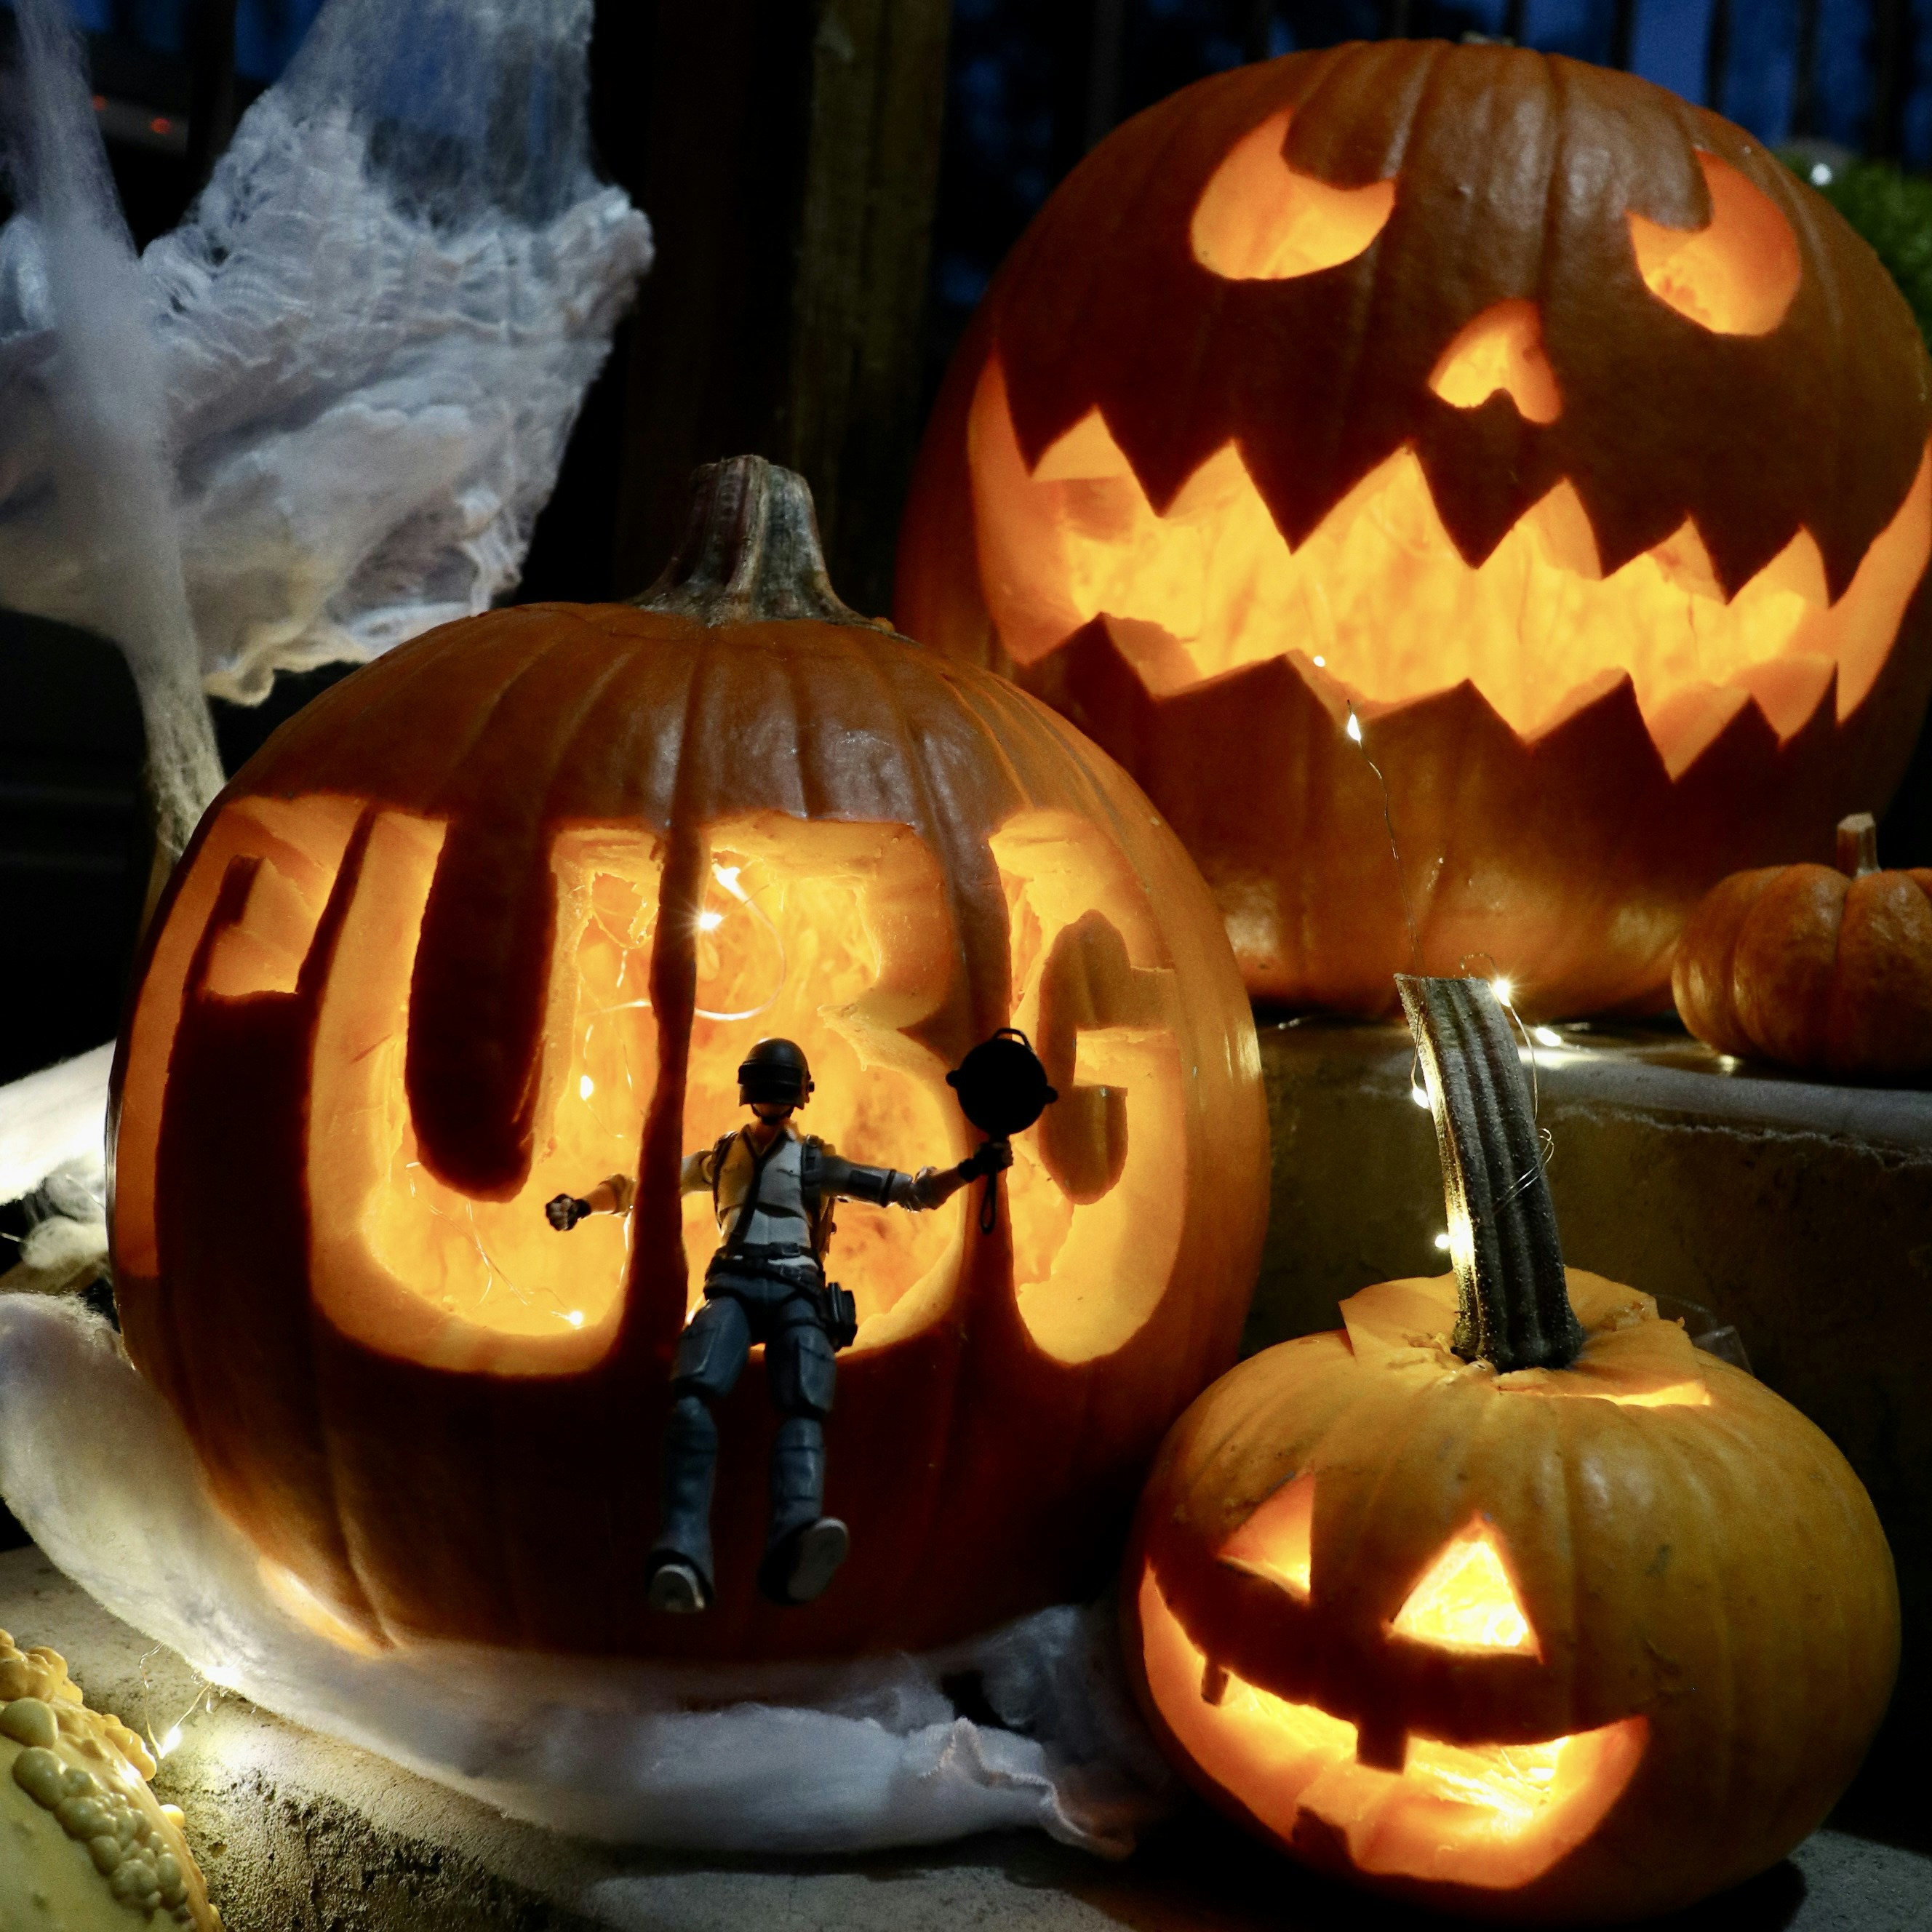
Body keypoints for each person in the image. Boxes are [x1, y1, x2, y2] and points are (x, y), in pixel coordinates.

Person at [546, 1037, 1010, 1613]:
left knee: (804, 1402)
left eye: (778, 1087)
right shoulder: (721, 1159)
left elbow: (910, 1192)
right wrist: (586, 1205)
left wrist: (972, 1168)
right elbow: (642, 1185)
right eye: (766, 1085)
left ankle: (796, 1534)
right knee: (693, 1395)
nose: (772, 1097)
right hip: (734, 1284)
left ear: (798, 1096)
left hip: (797, 1289)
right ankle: (683, 1548)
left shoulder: (818, 1164)